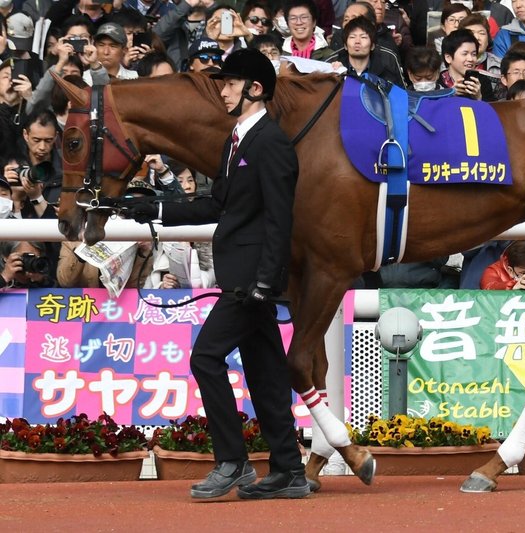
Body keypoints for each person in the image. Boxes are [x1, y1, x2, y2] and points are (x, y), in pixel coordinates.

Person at [121, 48, 307, 500]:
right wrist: (152, 208)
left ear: (254, 89)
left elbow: (282, 220)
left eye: (229, 83)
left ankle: (233, 462)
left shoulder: (273, 143)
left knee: (205, 358)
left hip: (251, 282)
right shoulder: (236, 140)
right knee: (265, 373)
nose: (221, 90)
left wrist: (267, 281)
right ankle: (288, 470)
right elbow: (215, 205)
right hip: (242, 277)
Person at [328, 15, 405, 87]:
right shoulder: (333, 63)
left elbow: (401, 95)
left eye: (363, 37)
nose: (357, 41)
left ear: (372, 46)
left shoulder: (388, 61)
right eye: (352, 37)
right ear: (345, 45)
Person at [438, 28, 494, 100]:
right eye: (465, 54)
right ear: (448, 58)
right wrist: (450, 94)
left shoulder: (483, 81)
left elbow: (490, 110)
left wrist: (478, 98)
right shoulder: (437, 83)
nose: (470, 59)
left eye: (474, 54)